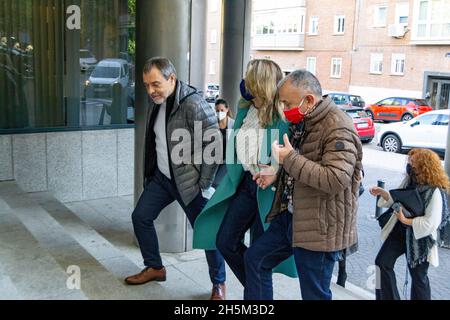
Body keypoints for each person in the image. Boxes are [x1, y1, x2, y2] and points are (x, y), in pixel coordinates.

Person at [249, 69, 363, 300]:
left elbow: (335, 179)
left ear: (309, 100)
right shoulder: (305, 120)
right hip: (292, 218)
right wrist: (276, 173)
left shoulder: (338, 127)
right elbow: (302, 163)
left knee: (314, 295)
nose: (283, 109)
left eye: (286, 103)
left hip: (321, 228)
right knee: (255, 260)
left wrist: (288, 159)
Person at [124, 57, 227, 300]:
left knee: (207, 231)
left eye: (156, 84)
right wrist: (151, 174)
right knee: (140, 217)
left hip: (189, 183)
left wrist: (204, 184)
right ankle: (155, 267)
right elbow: (155, 142)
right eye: (147, 85)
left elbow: (214, 147)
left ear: (172, 79)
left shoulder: (194, 104)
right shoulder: (156, 102)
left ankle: (219, 284)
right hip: (162, 179)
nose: (151, 90)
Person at [193, 59, 297, 297]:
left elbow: (295, 157)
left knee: (259, 260)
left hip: (270, 193)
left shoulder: (284, 117)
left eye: (251, 81)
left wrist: (276, 171)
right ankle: (255, 291)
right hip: (247, 184)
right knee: (225, 241)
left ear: (262, 85)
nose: (246, 87)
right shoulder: (246, 109)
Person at [370, 148, 449, 300]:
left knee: (418, 277)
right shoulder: (409, 181)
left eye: (413, 163)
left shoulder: (435, 191)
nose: (409, 166)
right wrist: (383, 193)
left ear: (424, 166)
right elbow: (398, 198)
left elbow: (431, 222)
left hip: (420, 240)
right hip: (400, 232)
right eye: (409, 162)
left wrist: (406, 220)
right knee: (382, 263)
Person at [212, 98, 235, 189]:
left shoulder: (234, 124)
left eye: (222, 110)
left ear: (227, 109)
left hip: (227, 161)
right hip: (214, 160)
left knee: (216, 183)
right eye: (217, 110)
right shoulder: (213, 124)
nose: (219, 112)